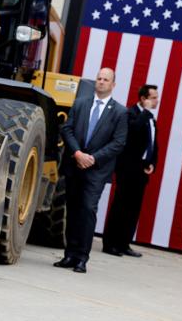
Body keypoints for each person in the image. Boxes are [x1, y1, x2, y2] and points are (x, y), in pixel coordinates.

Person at [53, 67, 128, 273]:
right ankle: (69, 255)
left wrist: (93, 158)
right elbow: (67, 129)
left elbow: (119, 143)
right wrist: (77, 153)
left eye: (106, 79)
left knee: (87, 209)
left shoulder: (120, 112)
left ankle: (81, 258)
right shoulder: (80, 104)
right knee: (74, 208)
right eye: (99, 78)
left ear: (113, 85)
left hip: (97, 171)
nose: (101, 82)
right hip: (74, 165)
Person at [102, 84, 159, 258]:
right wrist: (145, 112)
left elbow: (153, 142)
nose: (157, 100)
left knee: (133, 208)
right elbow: (132, 131)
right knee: (121, 205)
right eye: (154, 97)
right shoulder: (131, 113)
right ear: (143, 99)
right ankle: (110, 243)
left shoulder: (150, 118)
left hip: (141, 170)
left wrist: (152, 162)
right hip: (128, 169)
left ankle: (124, 243)